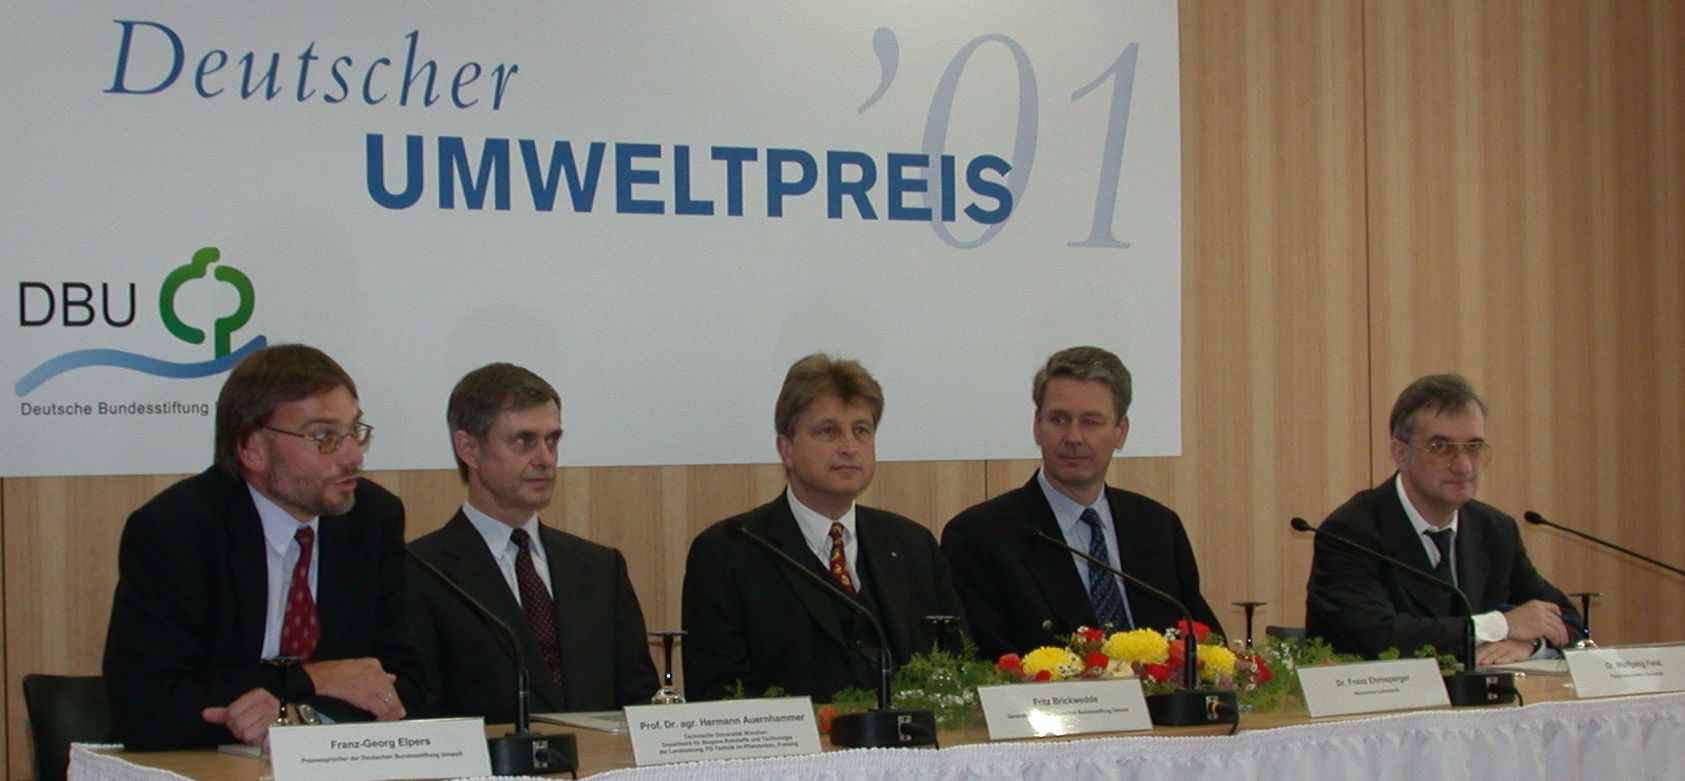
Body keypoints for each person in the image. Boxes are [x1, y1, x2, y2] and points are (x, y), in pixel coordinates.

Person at [103, 344, 425, 750]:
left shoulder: (371, 519)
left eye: (354, 431)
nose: (354, 456)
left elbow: (405, 683)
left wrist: (302, 717)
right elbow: (148, 705)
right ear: (253, 449)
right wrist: (312, 679)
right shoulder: (177, 530)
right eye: (325, 437)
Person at [682, 353, 967, 702]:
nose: (849, 447)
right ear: (786, 449)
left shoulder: (913, 546)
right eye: (828, 431)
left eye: (861, 430)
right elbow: (716, 694)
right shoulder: (730, 552)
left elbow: (958, 671)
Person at [408, 363, 658, 720]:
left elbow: (639, 701)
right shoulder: (421, 570)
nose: (545, 459)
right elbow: (421, 714)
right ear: (469, 448)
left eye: (552, 440)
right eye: (524, 441)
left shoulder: (600, 568)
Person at [942, 346, 1224, 659]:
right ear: (1037, 426)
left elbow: (1204, 643)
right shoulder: (981, 536)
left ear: (1120, 432)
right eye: (1059, 419)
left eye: (1091, 422)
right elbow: (986, 662)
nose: (1073, 437)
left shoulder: (1157, 526)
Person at [1306, 373, 1584, 663]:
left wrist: (1530, 645)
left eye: (1473, 447)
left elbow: (1570, 621)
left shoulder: (1494, 530)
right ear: (1401, 454)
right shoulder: (1351, 532)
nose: (1464, 466)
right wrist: (1499, 626)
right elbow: (1377, 638)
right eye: (1441, 447)